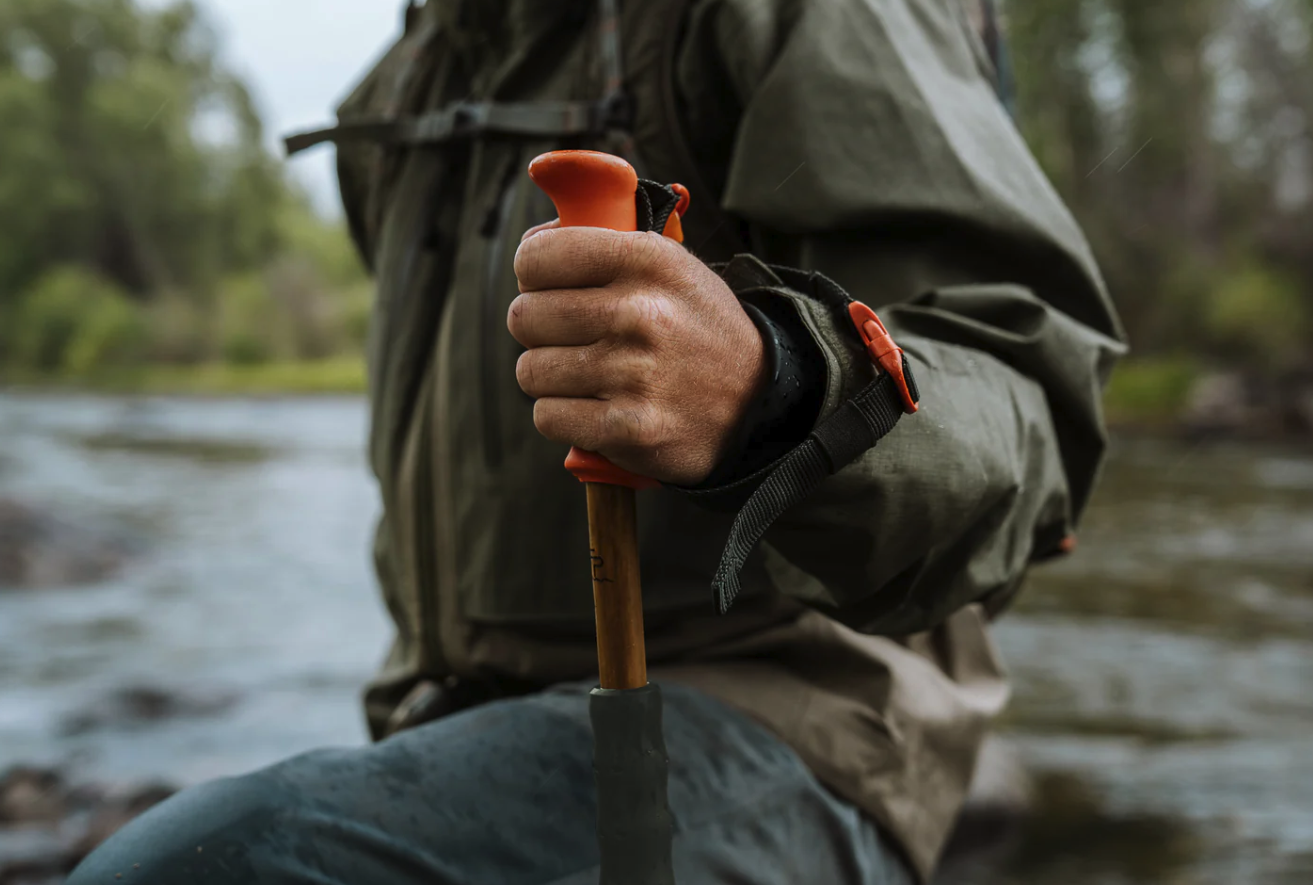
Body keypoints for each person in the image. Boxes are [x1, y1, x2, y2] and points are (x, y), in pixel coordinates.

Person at [69, 0, 1125, 883]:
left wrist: (774, 388)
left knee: (217, 864)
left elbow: (1027, 404)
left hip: (797, 723)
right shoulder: (422, 60)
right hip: (460, 721)